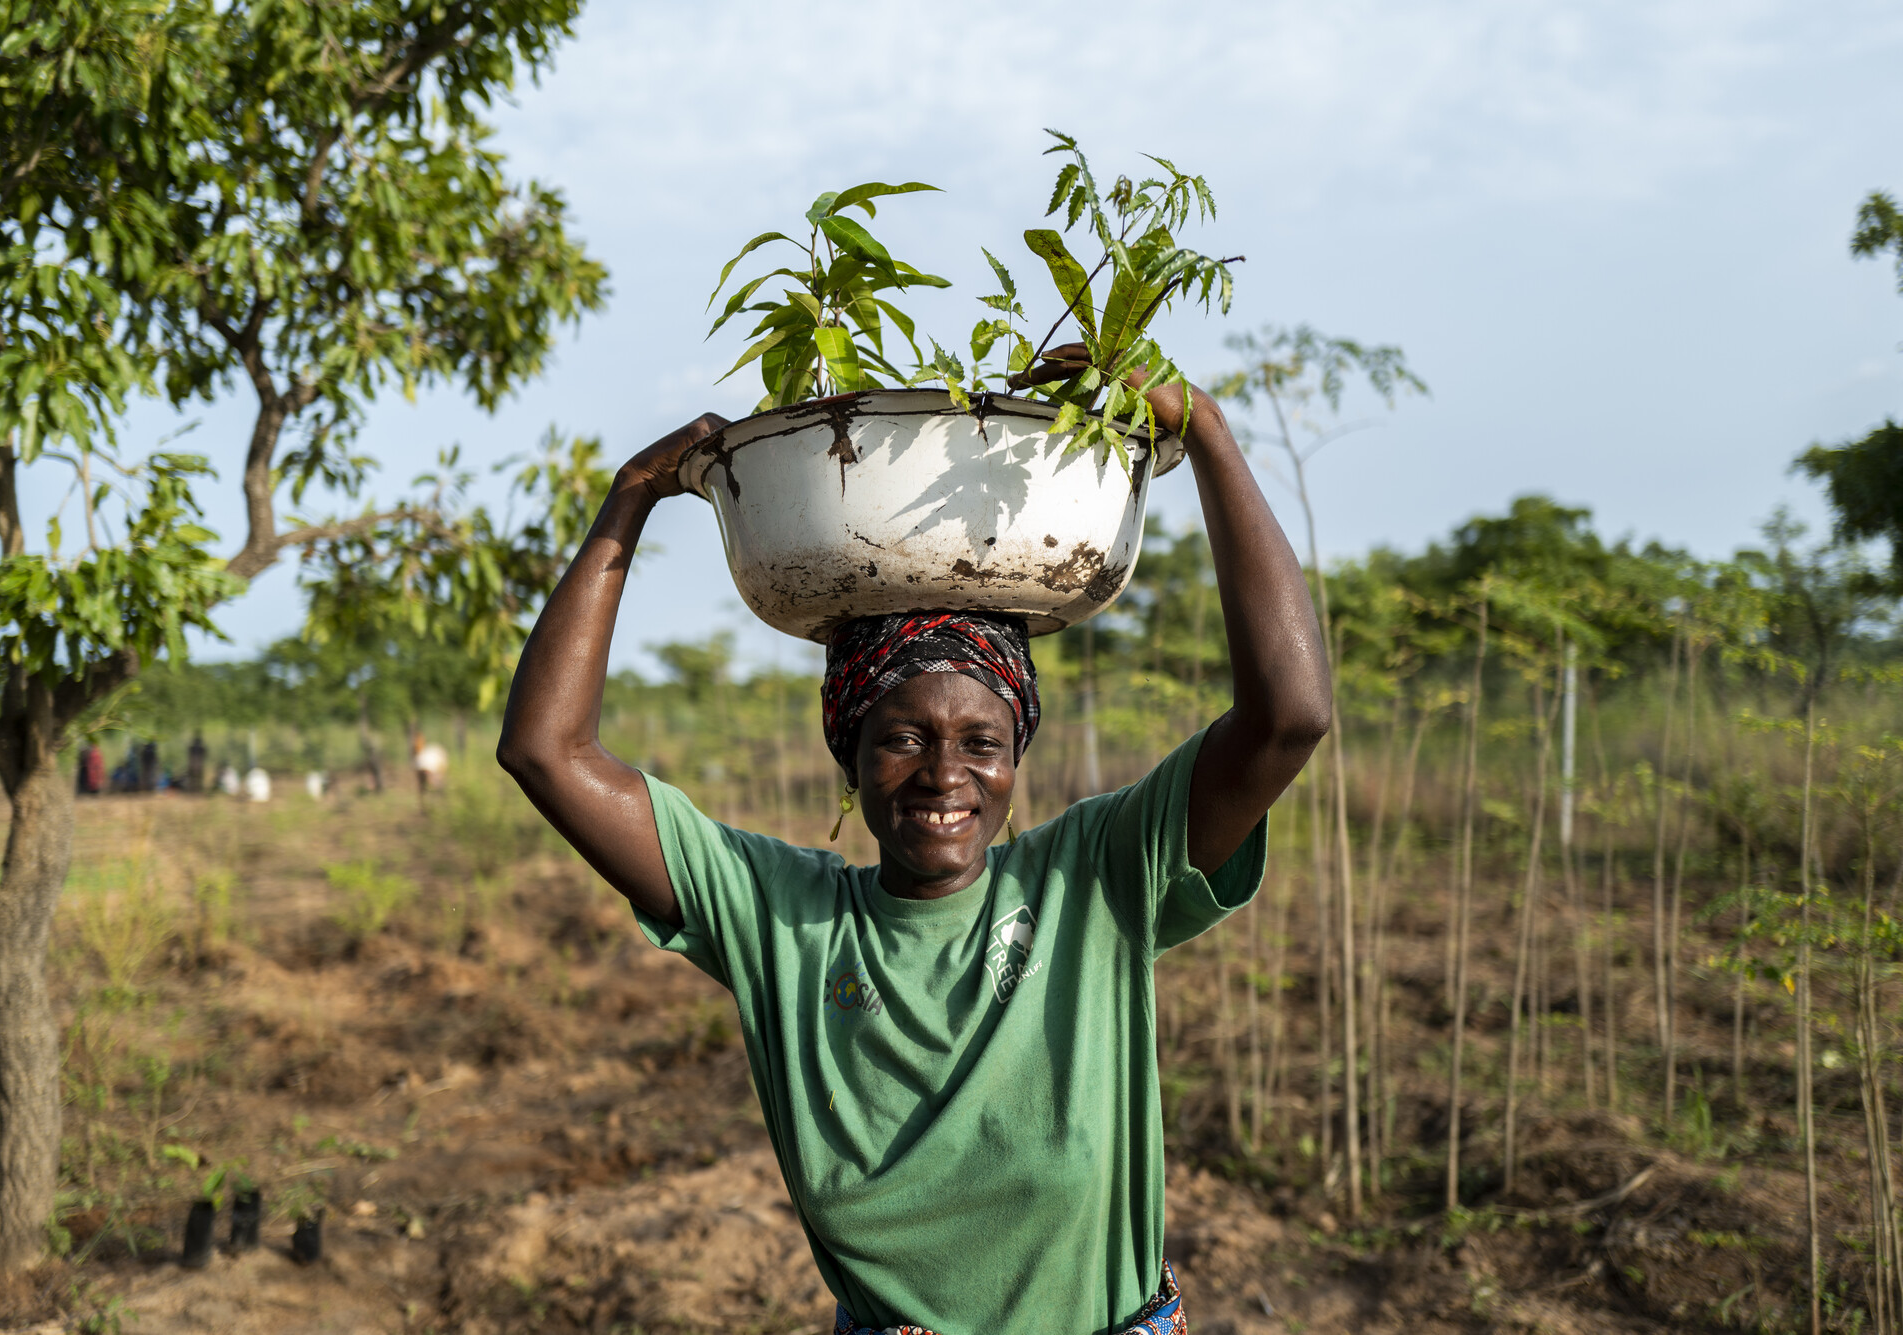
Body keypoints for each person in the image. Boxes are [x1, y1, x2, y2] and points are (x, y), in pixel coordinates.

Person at [497, 349, 1331, 1333]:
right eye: (900, 738)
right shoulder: (782, 922)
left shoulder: (1094, 881)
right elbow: (546, 752)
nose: (944, 776)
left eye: (981, 742)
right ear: (846, 754)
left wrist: (1207, 435)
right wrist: (631, 495)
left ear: (1017, 755)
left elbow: (1287, 717)